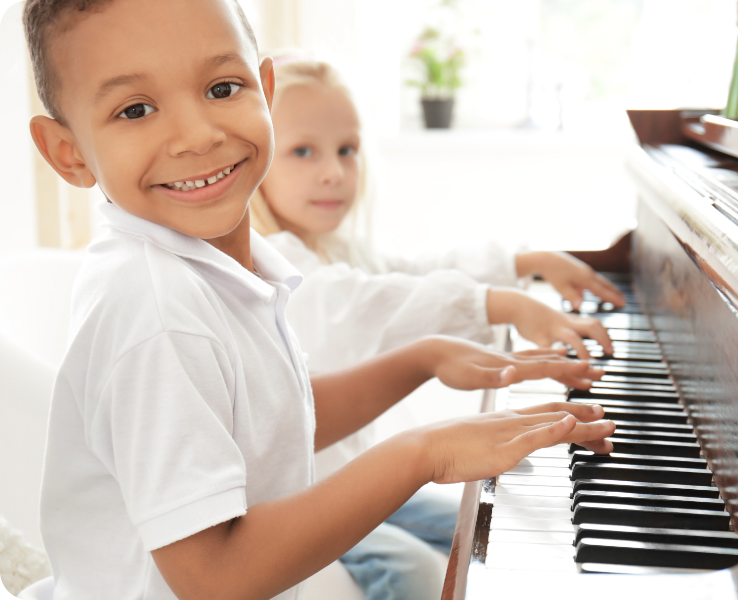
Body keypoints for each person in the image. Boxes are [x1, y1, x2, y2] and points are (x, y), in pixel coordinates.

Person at [20, 1, 616, 599]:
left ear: (265, 90)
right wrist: (424, 452)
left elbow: (273, 426)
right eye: (135, 109)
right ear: (68, 152)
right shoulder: (156, 310)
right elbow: (213, 578)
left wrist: (423, 359)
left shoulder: (214, 269)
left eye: (222, 88)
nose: (198, 134)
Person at [247, 54, 626, 599]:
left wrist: (520, 263)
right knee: (409, 571)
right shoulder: (269, 258)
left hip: (350, 479)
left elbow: (414, 270)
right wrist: (496, 304)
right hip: (296, 500)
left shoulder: (334, 246)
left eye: (347, 150)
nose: (333, 171)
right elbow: (365, 304)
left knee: (480, 530)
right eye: (303, 151)